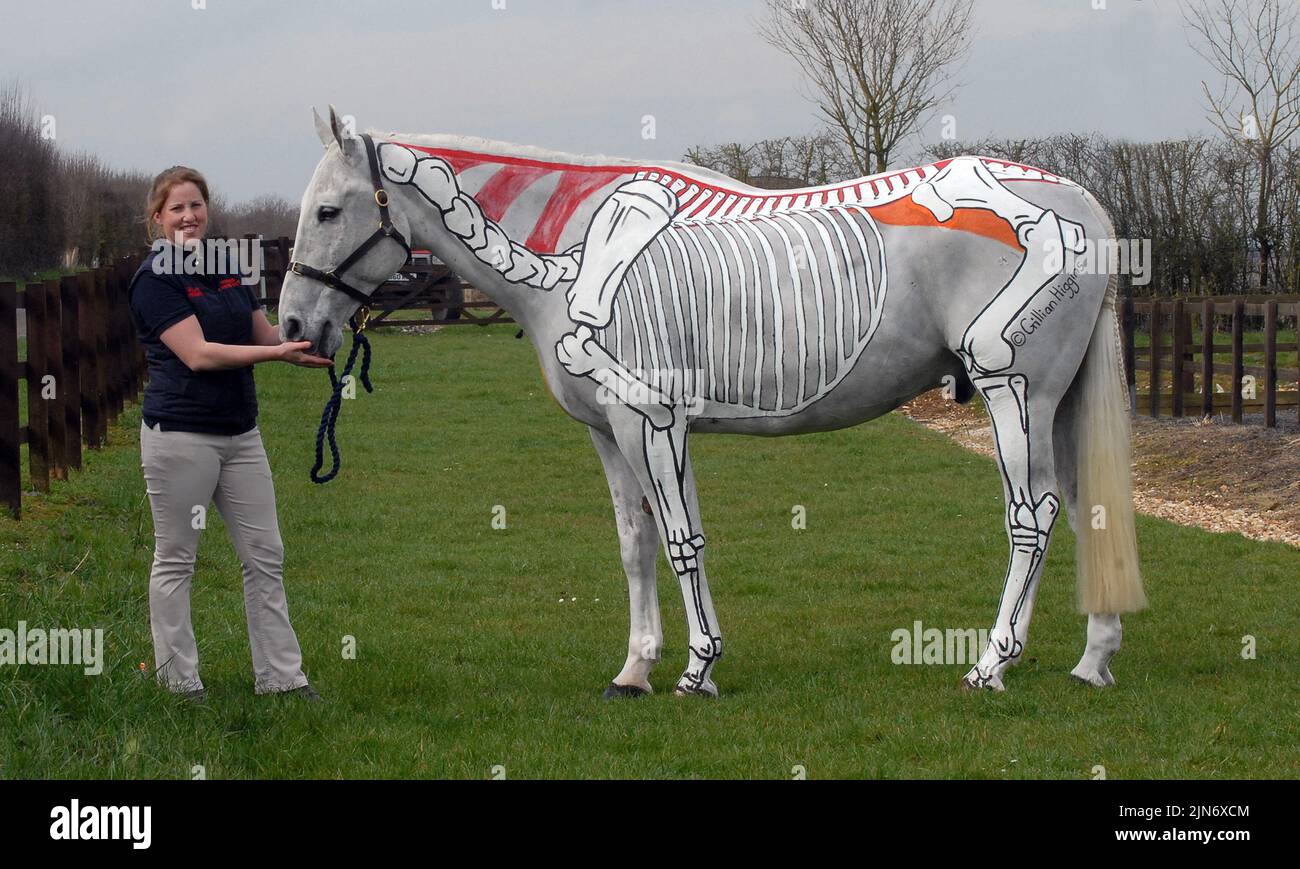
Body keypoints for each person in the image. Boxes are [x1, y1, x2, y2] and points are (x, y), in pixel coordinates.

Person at [127, 165, 332, 703]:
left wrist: (308, 347)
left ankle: (282, 678)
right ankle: (178, 681)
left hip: (241, 434)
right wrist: (274, 354)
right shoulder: (154, 278)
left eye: (196, 205)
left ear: (207, 210)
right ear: (157, 219)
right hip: (180, 436)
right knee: (177, 558)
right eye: (177, 208)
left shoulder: (231, 268)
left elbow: (263, 333)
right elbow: (198, 354)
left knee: (265, 554)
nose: (189, 216)